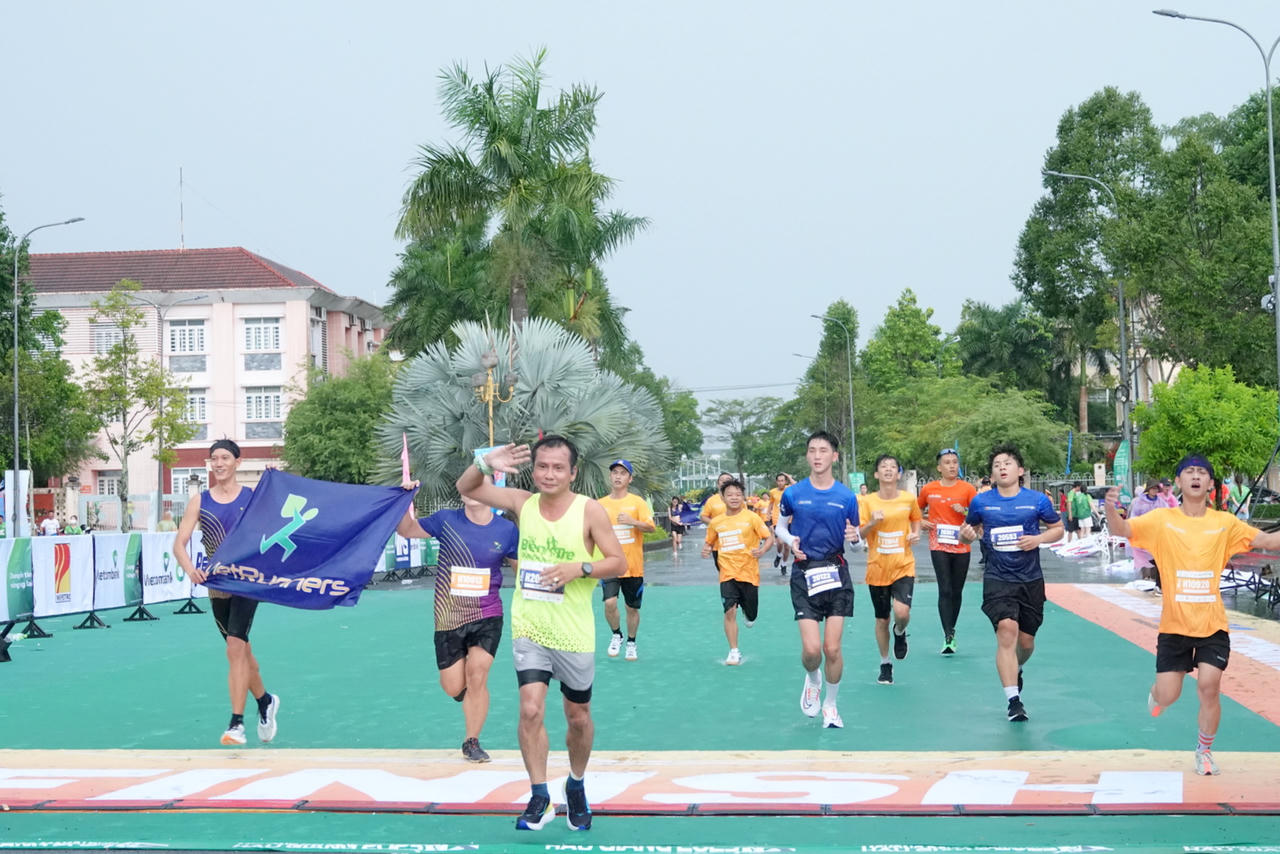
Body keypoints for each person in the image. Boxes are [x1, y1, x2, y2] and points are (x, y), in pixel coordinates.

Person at [457, 435, 626, 832]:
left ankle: (577, 785)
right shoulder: (521, 502)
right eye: (542, 466)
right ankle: (539, 794)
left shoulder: (589, 511)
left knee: (578, 717)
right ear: (533, 469)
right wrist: (485, 463)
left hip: (574, 632)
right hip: (530, 626)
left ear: (573, 472)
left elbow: (617, 562)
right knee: (530, 709)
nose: (548, 474)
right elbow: (467, 488)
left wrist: (579, 569)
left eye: (557, 467)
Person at [1104, 454, 1280, 777]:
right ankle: (1157, 693)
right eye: (1189, 472)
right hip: (1174, 628)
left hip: (1212, 625)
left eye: (1202, 473)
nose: (1196, 477)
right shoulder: (1161, 520)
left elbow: (1266, 540)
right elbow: (1123, 529)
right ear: (1179, 482)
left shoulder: (1224, 524)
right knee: (1168, 695)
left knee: (1209, 686)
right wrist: (1110, 507)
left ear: (1211, 483)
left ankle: (1205, 751)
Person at [396, 476, 518, 763]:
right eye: (468, 487)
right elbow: (408, 530)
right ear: (461, 491)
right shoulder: (445, 520)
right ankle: (467, 696)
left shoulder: (507, 530)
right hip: (449, 617)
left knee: (479, 673)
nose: (473, 492)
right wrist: (405, 500)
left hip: (488, 613)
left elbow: (522, 565)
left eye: (480, 486)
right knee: (453, 686)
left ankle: (471, 741)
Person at [174, 439, 280, 747]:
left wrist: (273, 484)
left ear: (237, 462)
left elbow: (276, 520)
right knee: (243, 652)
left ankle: (236, 724)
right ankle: (265, 701)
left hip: (246, 582)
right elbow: (179, 544)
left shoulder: (252, 497)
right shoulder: (200, 501)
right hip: (217, 586)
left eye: (224, 458)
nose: (218, 463)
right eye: (214, 459)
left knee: (235, 646)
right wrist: (191, 569)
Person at [959, 444, 1063, 723]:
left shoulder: (1037, 500)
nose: (1002, 467)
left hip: (1030, 580)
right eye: (996, 465)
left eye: (1007, 463)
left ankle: (1015, 669)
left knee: (1026, 643)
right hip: (997, 578)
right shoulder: (981, 502)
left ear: (1020, 471)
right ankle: (1013, 700)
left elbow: (1058, 529)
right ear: (992, 474)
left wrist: (1038, 539)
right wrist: (966, 536)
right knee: (1007, 629)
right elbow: (967, 533)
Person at [775, 430, 861, 729]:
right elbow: (779, 527)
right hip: (804, 573)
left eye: (823, 450)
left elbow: (855, 541)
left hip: (836, 572)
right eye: (812, 450)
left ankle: (831, 705)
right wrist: (790, 539)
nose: (817, 456)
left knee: (832, 649)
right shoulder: (793, 493)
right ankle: (813, 678)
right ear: (807, 455)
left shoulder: (846, 497)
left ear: (834, 456)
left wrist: (855, 539)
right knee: (812, 651)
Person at [859, 453, 922, 685]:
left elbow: (916, 518)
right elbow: (860, 533)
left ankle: (900, 631)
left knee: (902, 612)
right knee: (882, 619)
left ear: (898, 474)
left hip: (903, 564)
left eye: (892, 467)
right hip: (877, 567)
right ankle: (885, 664)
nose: (887, 470)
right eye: (883, 467)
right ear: (876, 474)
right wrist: (873, 523)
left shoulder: (907, 499)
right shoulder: (867, 501)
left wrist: (916, 533)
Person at [703, 478, 772, 665]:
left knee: (751, 616)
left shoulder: (752, 518)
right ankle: (734, 651)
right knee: (729, 611)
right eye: (730, 495)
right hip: (727, 573)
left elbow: (768, 538)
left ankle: (749, 614)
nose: (734, 498)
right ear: (722, 497)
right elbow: (709, 541)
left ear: (743, 497)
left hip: (749, 572)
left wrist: (763, 550)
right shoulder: (716, 522)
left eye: (738, 494)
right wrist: (706, 549)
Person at [918, 448, 978, 655]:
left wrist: (966, 511)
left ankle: (952, 626)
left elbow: (978, 515)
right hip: (938, 543)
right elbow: (915, 510)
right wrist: (921, 521)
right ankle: (948, 635)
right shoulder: (929, 489)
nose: (952, 466)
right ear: (939, 467)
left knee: (956, 590)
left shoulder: (968, 489)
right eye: (947, 462)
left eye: (955, 462)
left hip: (961, 544)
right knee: (944, 589)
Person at [598, 459, 655, 661]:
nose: (618, 476)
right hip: (610, 565)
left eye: (622, 473)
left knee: (632, 608)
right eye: (614, 472)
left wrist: (633, 522)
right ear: (610, 476)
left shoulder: (637, 502)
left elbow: (651, 527)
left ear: (629, 478)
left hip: (633, 566)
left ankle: (631, 641)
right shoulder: (600, 504)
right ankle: (616, 635)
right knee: (610, 603)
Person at [1127, 480, 1165, 582]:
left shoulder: (1161, 502)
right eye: (1153, 488)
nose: (1154, 490)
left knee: (1155, 557)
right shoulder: (1140, 502)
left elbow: (1167, 515)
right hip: (1143, 533)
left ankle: (1154, 579)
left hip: (1157, 534)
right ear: (1148, 490)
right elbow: (1134, 516)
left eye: (1156, 488)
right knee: (1143, 556)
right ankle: (1145, 579)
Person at [770, 473, 795, 574]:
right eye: (779, 481)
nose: (780, 482)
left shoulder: (789, 489)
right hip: (778, 520)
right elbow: (771, 504)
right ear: (776, 482)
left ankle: (784, 564)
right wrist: (768, 514)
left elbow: (796, 485)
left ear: (785, 482)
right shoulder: (772, 492)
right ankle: (779, 555)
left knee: (787, 546)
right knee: (779, 542)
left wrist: (789, 477)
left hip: (789, 520)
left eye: (782, 480)